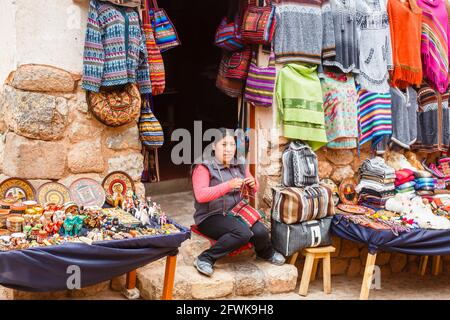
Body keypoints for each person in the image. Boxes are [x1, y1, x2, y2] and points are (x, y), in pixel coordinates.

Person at [191, 128, 285, 276]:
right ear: (214, 146)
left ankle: (265, 253)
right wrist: (228, 185)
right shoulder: (203, 167)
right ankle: (205, 258)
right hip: (211, 217)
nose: (229, 149)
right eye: (224, 145)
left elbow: (253, 189)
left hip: (238, 212)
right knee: (243, 233)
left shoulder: (239, 163)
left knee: (261, 232)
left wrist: (253, 185)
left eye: (232, 145)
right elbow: (201, 195)